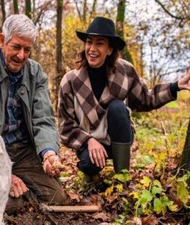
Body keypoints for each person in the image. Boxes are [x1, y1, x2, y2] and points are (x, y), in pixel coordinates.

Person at [58, 16, 190, 178]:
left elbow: (145, 99)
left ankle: (123, 178)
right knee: (89, 165)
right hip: (89, 141)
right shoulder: (70, 81)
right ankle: (91, 173)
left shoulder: (124, 71)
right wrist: (88, 141)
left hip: (118, 136)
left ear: (110, 49)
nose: (92, 48)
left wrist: (176, 86)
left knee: (117, 107)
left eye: (99, 43)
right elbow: (65, 126)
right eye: (89, 42)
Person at [0, 14, 68, 212]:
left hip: (23, 150)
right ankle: (4, 187)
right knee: (11, 204)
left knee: (57, 197)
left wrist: (48, 153)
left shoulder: (36, 73)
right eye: (16, 47)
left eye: (27, 50)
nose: (21, 55)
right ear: (3, 40)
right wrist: (4, 171)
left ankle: (15, 188)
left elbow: (44, 118)